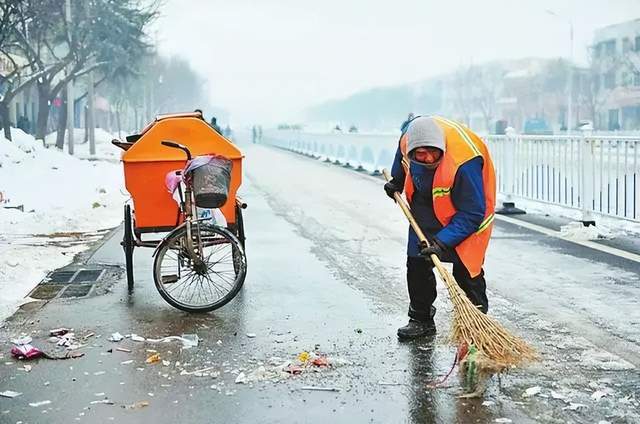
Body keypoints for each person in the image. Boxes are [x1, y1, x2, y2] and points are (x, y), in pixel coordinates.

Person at [384, 116, 496, 340]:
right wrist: (397, 180)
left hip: (466, 212)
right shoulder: (407, 142)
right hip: (426, 204)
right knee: (417, 261)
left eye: (432, 152)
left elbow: (472, 213)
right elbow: (402, 160)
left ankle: (476, 326)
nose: (427, 158)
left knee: (466, 269)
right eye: (420, 154)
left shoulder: (465, 162)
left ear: (441, 146)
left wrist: (442, 242)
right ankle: (421, 319)